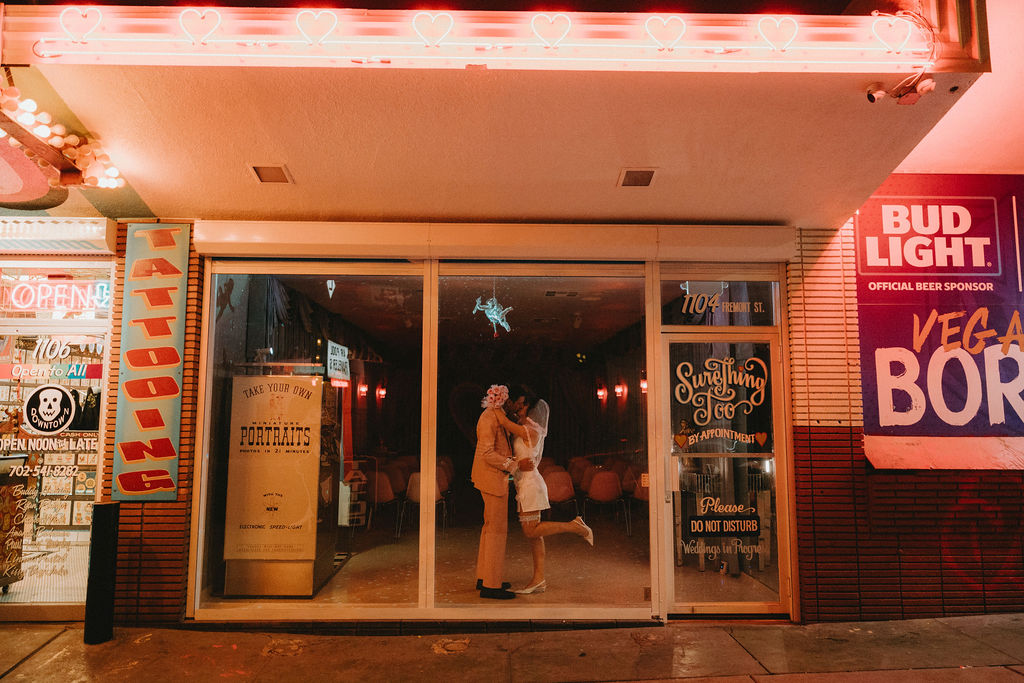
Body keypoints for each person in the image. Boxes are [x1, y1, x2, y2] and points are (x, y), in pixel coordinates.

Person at [493, 386, 593, 595]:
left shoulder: (532, 430)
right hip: (524, 483)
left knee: (531, 530)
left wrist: (495, 408)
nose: (519, 409)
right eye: (518, 404)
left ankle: (574, 526)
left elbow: (505, 423)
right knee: (534, 536)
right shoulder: (524, 426)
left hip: (531, 484)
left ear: (531, 408)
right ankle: (539, 580)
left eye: (523, 405)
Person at [471, 384, 517, 600]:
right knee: (497, 532)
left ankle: (485, 577)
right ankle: (491, 585)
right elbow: (487, 453)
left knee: (489, 530)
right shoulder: (490, 418)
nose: (511, 404)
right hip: (492, 480)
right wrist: (510, 464)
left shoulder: (492, 416)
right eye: (508, 400)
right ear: (500, 400)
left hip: (489, 479)